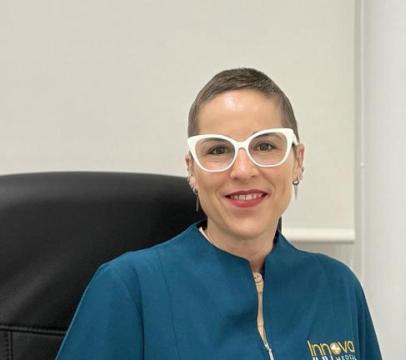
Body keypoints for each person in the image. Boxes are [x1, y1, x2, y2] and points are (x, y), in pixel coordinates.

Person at [56, 68, 382, 359]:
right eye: (218, 150)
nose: (243, 170)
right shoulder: (129, 287)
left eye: (265, 146)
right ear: (193, 171)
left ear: (297, 161)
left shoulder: (338, 287)